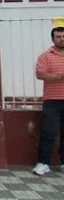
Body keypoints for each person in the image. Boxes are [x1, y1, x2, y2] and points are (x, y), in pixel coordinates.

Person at [32, 26, 64, 176]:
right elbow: (40, 74)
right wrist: (59, 77)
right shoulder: (45, 56)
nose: (61, 39)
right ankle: (43, 163)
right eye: (58, 37)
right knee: (49, 132)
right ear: (53, 39)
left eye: (63, 36)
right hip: (52, 100)